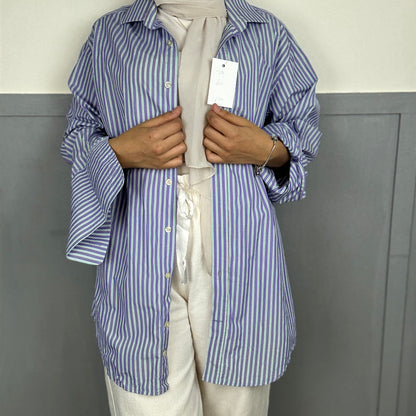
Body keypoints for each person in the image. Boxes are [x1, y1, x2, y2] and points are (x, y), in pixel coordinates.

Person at [61, 0, 321, 414]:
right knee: (148, 394)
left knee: (237, 399)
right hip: (140, 234)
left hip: (239, 242)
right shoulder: (111, 34)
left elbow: (302, 127)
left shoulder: (266, 33)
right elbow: (78, 131)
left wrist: (264, 148)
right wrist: (121, 151)